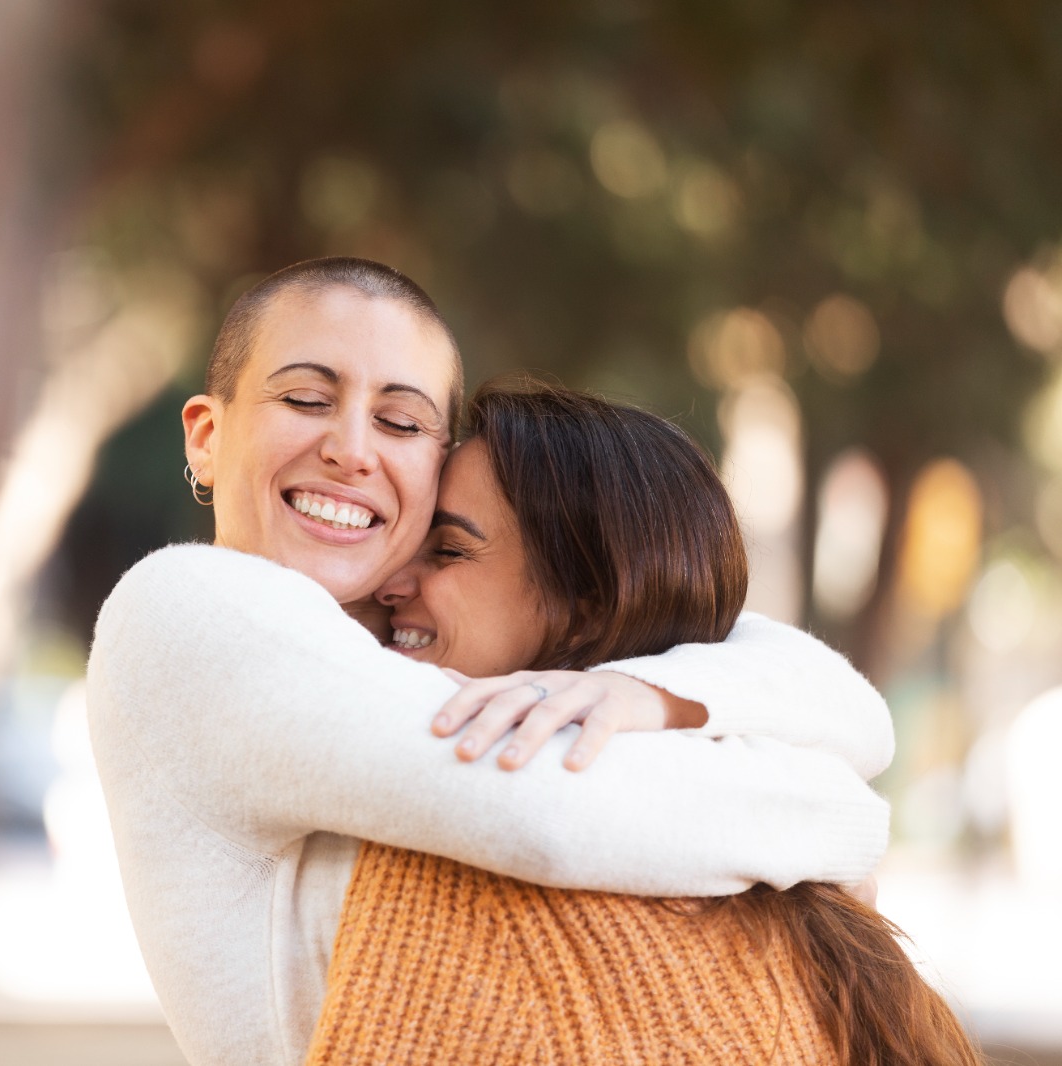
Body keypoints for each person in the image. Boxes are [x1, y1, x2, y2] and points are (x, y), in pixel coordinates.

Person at [87, 258, 894, 1066]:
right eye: (305, 399)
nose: (351, 449)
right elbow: (541, 811)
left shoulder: (384, 631)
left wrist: (644, 693)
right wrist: (843, 815)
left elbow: (820, 686)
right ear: (205, 436)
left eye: (401, 423)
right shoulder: (188, 607)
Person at [304, 381, 977, 1064]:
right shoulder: (795, 887)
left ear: (587, 608)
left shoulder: (453, 885)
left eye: (446, 550)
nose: (390, 582)